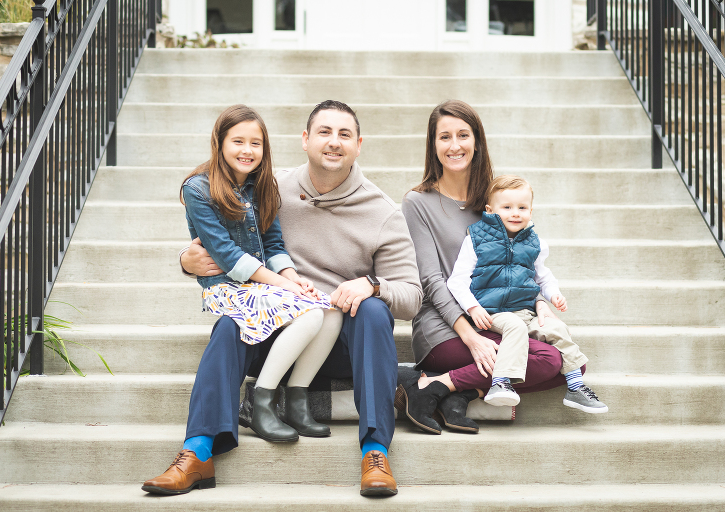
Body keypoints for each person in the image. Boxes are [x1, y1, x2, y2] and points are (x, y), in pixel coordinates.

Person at [145, 100, 422, 497]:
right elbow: (226, 245)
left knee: (375, 312)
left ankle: (375, 452)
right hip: (278, 331)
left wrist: (373, 285)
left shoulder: (383, 212)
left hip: (342, 341)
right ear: (305, 140)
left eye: (344, 134)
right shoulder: (267, 187)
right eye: (324, 132)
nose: (333, 142)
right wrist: (186, 261)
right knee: (229, 324)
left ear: (359, 144)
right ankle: (197, 452)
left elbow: (413, 297)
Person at [142, 105, 343, 495]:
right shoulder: (198, 188)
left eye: (256, 143)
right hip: (232, 289)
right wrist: (277, 283)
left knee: (325, 309)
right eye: (238, 141)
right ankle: (209, 442)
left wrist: (292, 279)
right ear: (219, 143)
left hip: (263, 286)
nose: (248, 150)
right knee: (239, 328)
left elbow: (273, 243)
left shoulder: (263, 185)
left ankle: (290, 400)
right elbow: (224, 255)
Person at [400, 99, 583, 435]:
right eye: (444, 137)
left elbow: (522, 265)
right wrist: (469, 336)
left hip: (499, 318)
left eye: (463, 135)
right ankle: (454, 383)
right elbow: (430, 280)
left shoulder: (496, 202)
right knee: (548, 361)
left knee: (572, 364)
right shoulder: (418, 203)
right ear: (433, 144)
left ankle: (448, 388)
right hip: (444, 327)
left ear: (477, 141)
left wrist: (541, 304)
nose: (455, 145)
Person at [447, 174, 607, 413]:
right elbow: (456, 281)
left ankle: (575, 387)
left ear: (531, 211)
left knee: (557, 328)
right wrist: (473, 307)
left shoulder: (535, 243)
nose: (515, 213)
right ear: (490, 210)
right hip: (491, 311)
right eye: (507, 207)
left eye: (522, 207)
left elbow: (543, 277)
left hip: (526, 311)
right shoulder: (475, 240)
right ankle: (500, 382)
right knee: (514, 326)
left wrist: (553, 295)